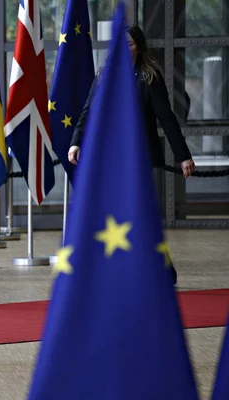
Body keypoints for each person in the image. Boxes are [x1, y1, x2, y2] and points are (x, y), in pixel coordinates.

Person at [68, 25, 196, 284]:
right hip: (108, 156)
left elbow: (167, 119)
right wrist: (76, 142)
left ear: (139, 47)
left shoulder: (149, 77)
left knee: (137, 212)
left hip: (138, 158)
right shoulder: (104, 75)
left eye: (129, 44)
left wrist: (184, 156)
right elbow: (87, 111)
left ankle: (163, 269)